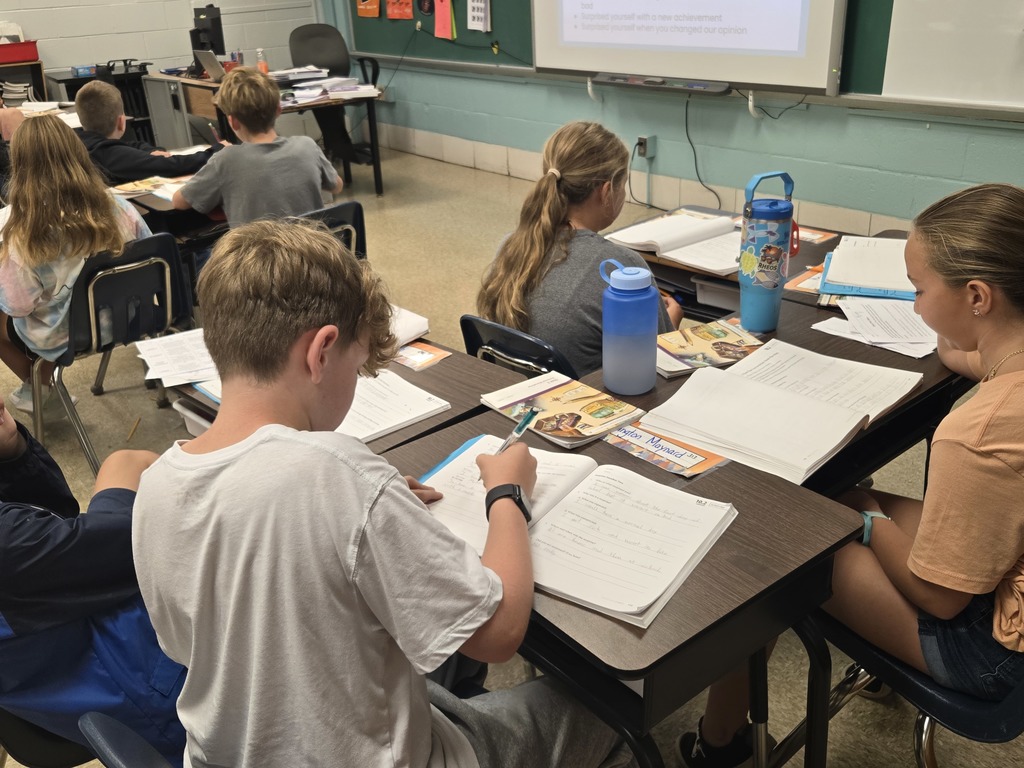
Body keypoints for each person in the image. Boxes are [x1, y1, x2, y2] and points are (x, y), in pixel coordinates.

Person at [132, 219, 636, 768]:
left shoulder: (156, 483)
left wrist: (369, 509)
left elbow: (197, 640)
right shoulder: (338, 475)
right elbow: (500, 634)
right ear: (322, 351)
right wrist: (507, 494)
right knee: (611, 713)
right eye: (357, 363)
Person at [677, 182, 1024, 768]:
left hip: (988, 649)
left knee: (775, 538)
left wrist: (865, 518)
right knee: (849, 495)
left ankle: (720, 743)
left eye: (918, 291)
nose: (914, 308)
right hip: (1003, 572)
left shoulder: (978, 434)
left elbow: (941, 600)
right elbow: (972, 357)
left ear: (977, 296)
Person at [0, 396, 186, 765]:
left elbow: (55, 519)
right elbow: (131, 549)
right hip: (151, 691)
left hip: (90, 645)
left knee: (125, 464)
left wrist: (12, 453)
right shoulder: (10, 546)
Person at [477, 120, 681, 376]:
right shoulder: (620, 266)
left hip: (518, 396)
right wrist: (671, 320)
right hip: (593, 404)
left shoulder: (510, 247)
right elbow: (657, 362)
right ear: (607, 191)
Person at [0, 114, 151, 416]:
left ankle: (41, 389)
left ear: (20, 166)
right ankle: (40, 388)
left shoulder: (23, 234)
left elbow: (19, 307)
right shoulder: (120, 207)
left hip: (68, 336)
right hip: (127, 318)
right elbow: (148, 253)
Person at [171, 67, 343, 228]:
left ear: (233, 121)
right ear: (278, 110)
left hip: (257, 258)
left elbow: (179, 202)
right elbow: (337, 186)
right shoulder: (307, 146)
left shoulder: (225, 160)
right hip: (311, 254)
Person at [74, 80, 223, 184]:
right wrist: (218, 150)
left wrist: (150, 151)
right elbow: (173, 166)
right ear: (121, 122)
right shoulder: (110, 154)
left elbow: (131, 146)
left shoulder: (79, 141)